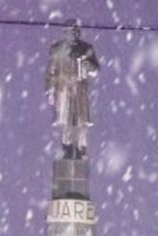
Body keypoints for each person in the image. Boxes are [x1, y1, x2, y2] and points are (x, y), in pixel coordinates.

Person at [45, 20, 99, 159]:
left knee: (82, 122)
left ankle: (81, 149)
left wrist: (88, 65)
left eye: (76, 30)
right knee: (66, 122)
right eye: (70, 30)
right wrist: (51, 90)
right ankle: (67, 148)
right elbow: (51, 72)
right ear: (65, 32)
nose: (73, 33)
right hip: (64, 90)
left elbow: (95, 68)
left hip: (80, 90)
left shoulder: (86, 48)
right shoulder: (57, 49)